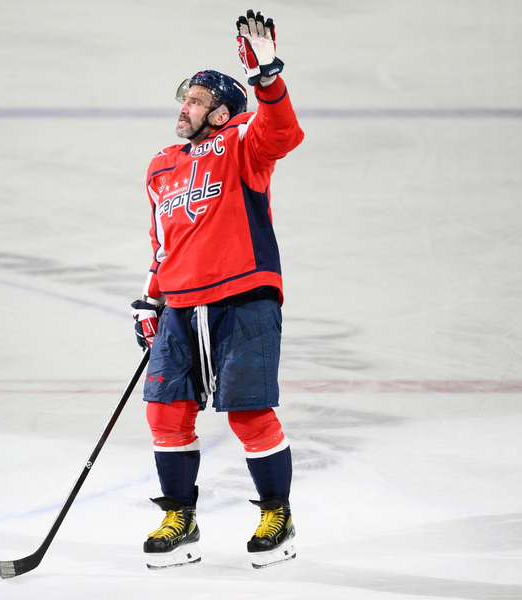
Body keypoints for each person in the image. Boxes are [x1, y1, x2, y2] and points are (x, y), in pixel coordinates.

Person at [131, 9, 304, 570]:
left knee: (248, 413)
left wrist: (268, 78)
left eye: (197, 100)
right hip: (179, 303)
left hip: (243, 296)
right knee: (166, 411)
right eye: (184, 99)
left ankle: (276, 515)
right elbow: (162, 241)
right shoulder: (161, 167)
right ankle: (180, 518)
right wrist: (151, 299)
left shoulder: (242, 144)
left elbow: (283, 133)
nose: (184, 108)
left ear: (222, 112)